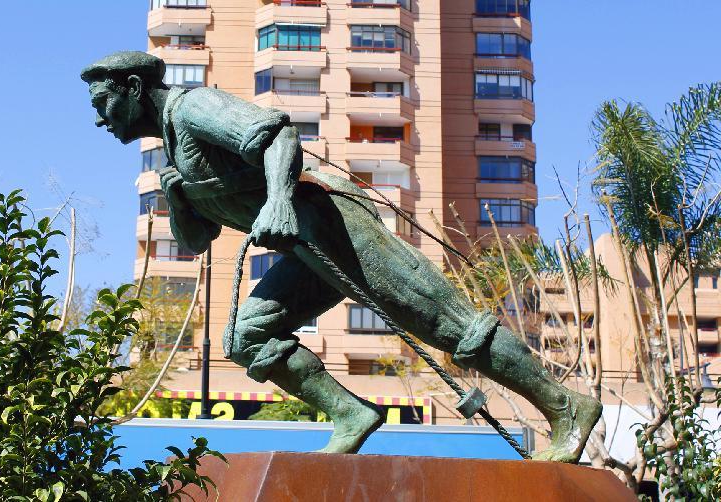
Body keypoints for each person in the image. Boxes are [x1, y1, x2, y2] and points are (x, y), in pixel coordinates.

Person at [82, 51, 601, 461]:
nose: (100, 119)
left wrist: (281, 201)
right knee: (247, 338)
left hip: (333, 221)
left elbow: (280, 134)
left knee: (451, 325)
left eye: (102, 102)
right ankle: (351, 414)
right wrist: (178, 197)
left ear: (132, 88)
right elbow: (197, 241)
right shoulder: (173, 153)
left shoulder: (193, 108)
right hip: (304, 247)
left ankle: (567, 407)